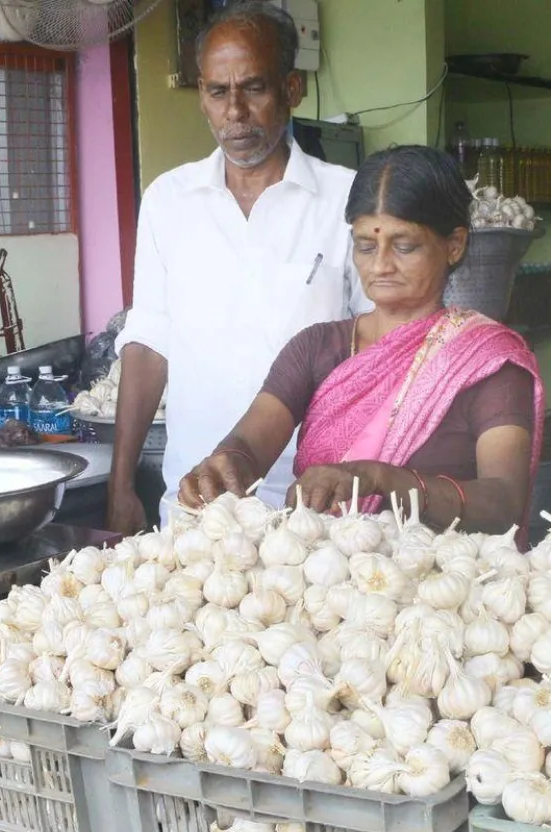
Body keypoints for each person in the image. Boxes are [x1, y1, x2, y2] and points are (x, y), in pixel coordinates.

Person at [179, 145, 545, 536]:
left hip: (445, 584)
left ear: (454, 245)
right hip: (323, 586)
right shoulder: (317, 348)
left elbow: (503, 502)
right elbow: (250, 443)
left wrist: (382, 479)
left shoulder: (487, 363)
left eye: (404, 246)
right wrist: (227, 463)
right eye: (365, 246)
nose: (380, 265)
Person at [107, 1, 367, 534]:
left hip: (317, 509)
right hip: (198, 502)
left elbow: (380, 352)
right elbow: (148, 344)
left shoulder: (347, 200)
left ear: (291, 89)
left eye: (254, 87)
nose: (235, 112)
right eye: (217, 91)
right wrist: (121, 483)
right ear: (201, 96)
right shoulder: (168, 201)